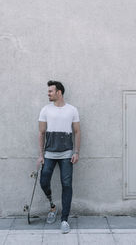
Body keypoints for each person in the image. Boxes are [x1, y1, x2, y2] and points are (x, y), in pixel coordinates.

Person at [37, 80, 81, 234]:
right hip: (49, 153)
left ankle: (64, 220)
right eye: (48, 91)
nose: (48, 93)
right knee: (43, 180)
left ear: (59, 92)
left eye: (51, 91)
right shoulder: (45, 110)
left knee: (66, 185)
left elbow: (77, 132)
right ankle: (52, 206)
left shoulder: (72, 110)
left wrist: (76, 152)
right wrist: (40, 155)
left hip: (67, 154)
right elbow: (41, 133)